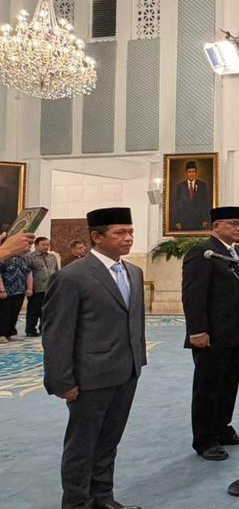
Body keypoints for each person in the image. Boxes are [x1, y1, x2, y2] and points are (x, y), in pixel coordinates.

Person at [42, 207, 145, 509]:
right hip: (89, 378)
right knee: (82, 446)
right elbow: (57, 334)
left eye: (131, 232)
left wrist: (137, 362)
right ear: (96, 237)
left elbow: (132, 322)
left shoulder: (134, 272)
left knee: (109, 441)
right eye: (120, 233)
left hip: (126, 372)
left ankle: (103, 498)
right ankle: (76, 503)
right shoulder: (72, 276)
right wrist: (62, 381)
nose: (128, 238)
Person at [181, 207, 239, 461]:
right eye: (232, 223)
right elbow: (193, 295)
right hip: (211, 333)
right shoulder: (202, 252)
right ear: (216, 225)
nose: (238, 227)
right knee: (208, 387)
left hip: (236, 331)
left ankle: (222, 429)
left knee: (229, 384)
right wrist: (197, 331)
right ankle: (204, 439)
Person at [25, 236, 59, 336]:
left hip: (50, 288)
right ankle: (31, 330)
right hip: (36, 288)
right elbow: (27, 273)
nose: (46, 247)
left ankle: (44, 329)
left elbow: (56, 271)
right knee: (33, 311)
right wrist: (28, 288)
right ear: (36, 245)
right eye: (43, 245)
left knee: (48, 310)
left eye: (47, 245)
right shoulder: (29, 257)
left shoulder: (52, 257)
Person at [0, 247, 32, 342]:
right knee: (4, 313)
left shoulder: (23, 259)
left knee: (14, 313)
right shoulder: (4, 258)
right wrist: (1, 290)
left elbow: (29, 273)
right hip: (7, 291)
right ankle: (1, 334)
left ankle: (11, 333)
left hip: (20, 290)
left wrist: (29, 288)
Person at [171, 160, 213, 231]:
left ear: (196, 172)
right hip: (184, 220)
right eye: (189, 172)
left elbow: (206, 203)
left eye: (193, 171)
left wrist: (206, 219)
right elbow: (176, 204)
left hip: (199, 220)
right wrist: (177, 221)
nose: (191, 174)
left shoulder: (202, 185)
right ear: (186, 173)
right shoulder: (180, 186)